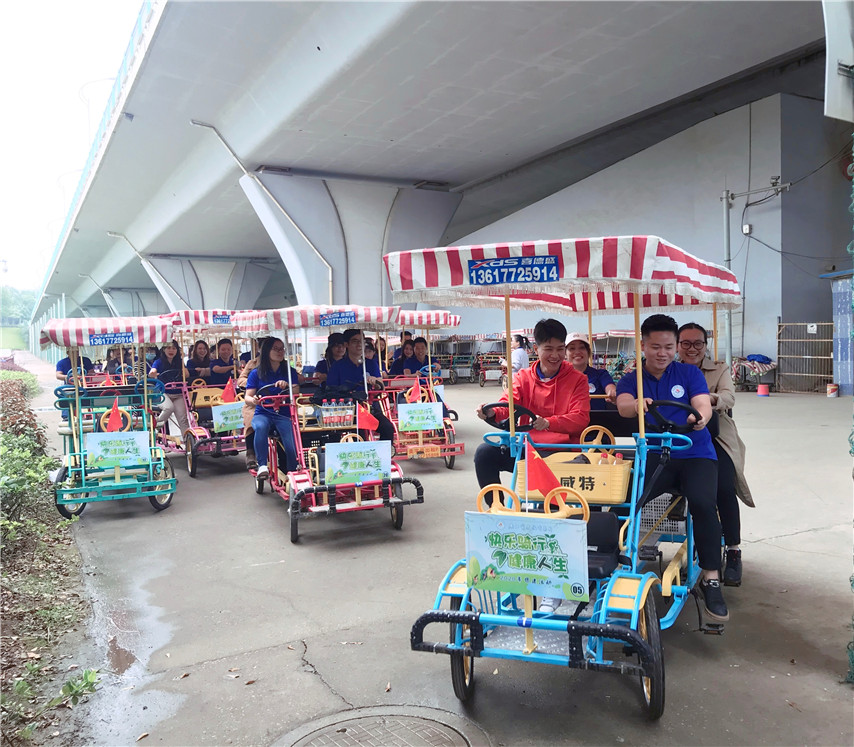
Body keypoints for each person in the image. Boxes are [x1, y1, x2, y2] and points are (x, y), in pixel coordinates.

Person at [616, 313, 728, 622]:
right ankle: (612, 564)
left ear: (675, 346)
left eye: (668, 347)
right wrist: (636, 405)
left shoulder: (688, 373)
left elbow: (702, 402)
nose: (662, 353)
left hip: (695, 452)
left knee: (703, 503)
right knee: (624, 503)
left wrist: (700, 417)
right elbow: (623, 405)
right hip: (654, 454)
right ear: (643, 345)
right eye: (655, 347)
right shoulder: (632, 379)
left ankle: (711, 577)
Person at [678, 322, 754, 587]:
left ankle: (733, 549)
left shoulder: (719, 369)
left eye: (698, 343)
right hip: (679, 434)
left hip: (716, 435)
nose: (692, 349)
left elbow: (728, 398)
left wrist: (703, 399)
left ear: (705, 345)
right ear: (677, 345)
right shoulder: (670, 369)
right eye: (686, 343)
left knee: (722, 487)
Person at [474, 317, 590, 488]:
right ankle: (495, 502)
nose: (555, 355)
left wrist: (548, 423)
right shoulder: (523, 377)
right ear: (536, 349)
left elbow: (580, 418)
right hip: (526, 449)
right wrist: (491, 412)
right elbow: (507, 405)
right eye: (548, 349)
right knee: (484, 453)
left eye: (560, 349)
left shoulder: (578, 380)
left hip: (562, 451)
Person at [244, 337, 301, 479]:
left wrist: (287, 386)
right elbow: (247, 397)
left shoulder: (289, 371)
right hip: (263, 413)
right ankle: (262, 465)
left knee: (290, 443)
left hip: (283, 414)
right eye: (276, 349)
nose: (280, 352)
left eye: (282, 349)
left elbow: (296, 391)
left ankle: (292, 471)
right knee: (261, 426)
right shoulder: (256, 373)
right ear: (266, 351)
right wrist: (255, 400)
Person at [327, 329, 395, 442]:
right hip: (345, 410)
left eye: (361, 341)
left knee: (387, 427)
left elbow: (381, 387)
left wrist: (376, 382)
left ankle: (384, 452)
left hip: (367, 407)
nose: (359, 344)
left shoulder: (371, 363)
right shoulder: (337, 366)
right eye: (355, 341)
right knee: (359, 434)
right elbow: (330, 390)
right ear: (346, 344)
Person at [150, 339, 191, 436]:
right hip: (162, 392)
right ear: (164, 349)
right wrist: (153, 373)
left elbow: (187, 375)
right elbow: (152, 372)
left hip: (178, 393)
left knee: (183, 419)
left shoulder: (179, 362)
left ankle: (188, 441)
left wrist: (183, 369)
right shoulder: (158, 362)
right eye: (168, 348)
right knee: (169, 408)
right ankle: (155, 426)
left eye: (174, 348)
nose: (171, 350)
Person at [565, 333, 616, 410]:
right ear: (565, 354)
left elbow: (610, 387)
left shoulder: (600, 374)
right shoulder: (560, 377)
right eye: (572, 348)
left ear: (588, 352)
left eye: (582, 347)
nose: (577, 352)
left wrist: (612, 392)